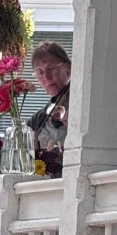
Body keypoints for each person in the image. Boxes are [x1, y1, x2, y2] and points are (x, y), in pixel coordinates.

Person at [28, 41, 71, 177]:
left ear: (68, 69)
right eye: (40, 72)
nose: (46, 77)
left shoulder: (80, 101)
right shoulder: (41, 116)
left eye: (51, 68)